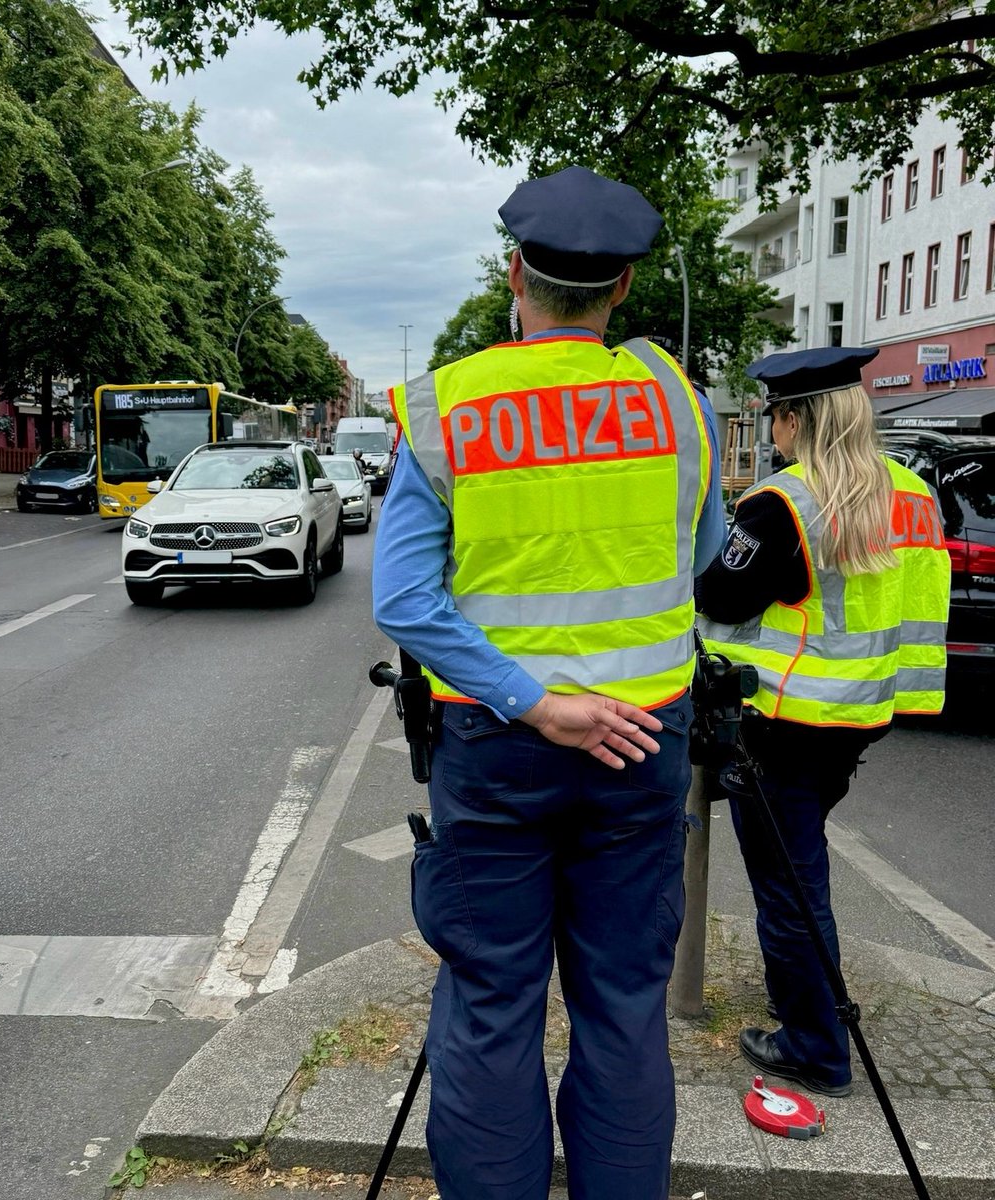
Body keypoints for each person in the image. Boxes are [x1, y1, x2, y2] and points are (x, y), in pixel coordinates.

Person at [373, 165, 725, 1200]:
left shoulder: (445, 408)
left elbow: (406, 603)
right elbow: (694, 555)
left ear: (513, 273)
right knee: (622, 1006)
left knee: (491, 1003)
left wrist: (534, 701)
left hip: (499, 750)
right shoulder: (680, 405)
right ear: (621, 289)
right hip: (642, 741)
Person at [697, 346, 950, 1097]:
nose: (772, 427)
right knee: (800, 871)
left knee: (790, 886)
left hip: (780, 725)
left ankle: (815, 1047)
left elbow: (720, 595)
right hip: (858, 718)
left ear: (795, 418)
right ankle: (804, 995)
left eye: (776, 413)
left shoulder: (784, 503)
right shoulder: (912, 493)